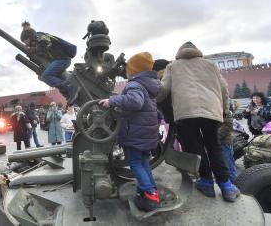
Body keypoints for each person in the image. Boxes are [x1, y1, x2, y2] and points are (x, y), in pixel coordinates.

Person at [158, 41, 240, 202]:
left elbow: (163, 90)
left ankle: (207, 183)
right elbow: (224, 89)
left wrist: (153, 100)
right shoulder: (210, 65)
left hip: (185, 112)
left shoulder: (173, 66)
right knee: (214, 145)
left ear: (179, 52)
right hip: (211, 112)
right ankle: (227, 186)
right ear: (197, 51)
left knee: (196, 148)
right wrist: (223, 110)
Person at [100, 52, 161, 211]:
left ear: (134, 71)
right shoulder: (150, 85)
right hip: (146, 134)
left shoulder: (135, 84)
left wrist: (111, 101)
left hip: (134, 134)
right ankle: (150, 190)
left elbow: (135, 102)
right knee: (143, 162)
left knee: (135, 163)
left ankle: (150, 194)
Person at [20, 21, 80, 105]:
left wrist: (33, 50)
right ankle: (67, 93)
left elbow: (44, 44)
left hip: (62, 59)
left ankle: (70, 89)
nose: (25, 44)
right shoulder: (36, 41)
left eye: (25, 41)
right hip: (58, 60)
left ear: (29, 37)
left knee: (46, 76)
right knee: (42, 76)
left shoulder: (39, 36)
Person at [218, 111, 237, 183]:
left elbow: (227, 126)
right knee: (222, 166)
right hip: (216, 143)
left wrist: (214, 137)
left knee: (229, 166)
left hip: (224, 142)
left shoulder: (226, 111)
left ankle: (235, 185)